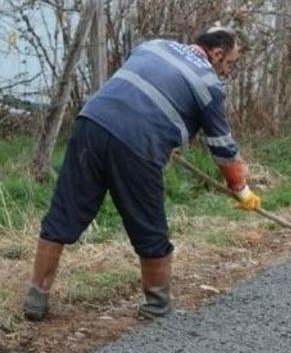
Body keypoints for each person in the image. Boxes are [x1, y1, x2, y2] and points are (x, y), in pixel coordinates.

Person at [23, 26, 261, 321]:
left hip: (91, 123)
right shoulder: (209, 83)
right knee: (149, 225)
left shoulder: (155, 45)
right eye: (229, 63)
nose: (227, 71)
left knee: (64, 213)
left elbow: (140, 90)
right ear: (216, 52)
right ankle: (157, 306)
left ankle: (36, 298)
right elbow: (223, 149)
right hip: (138, 146)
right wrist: (242, 189)